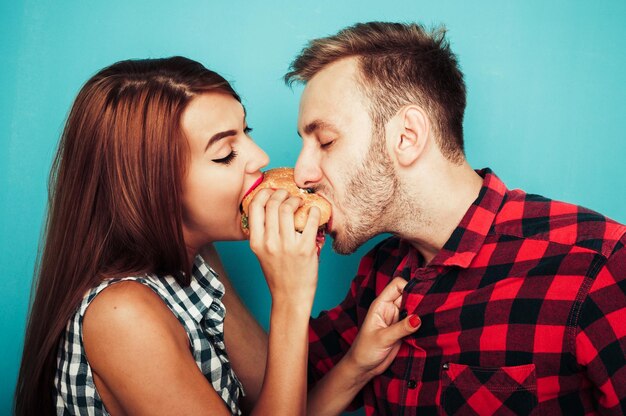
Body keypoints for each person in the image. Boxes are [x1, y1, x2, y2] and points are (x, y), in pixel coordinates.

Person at [13, 56, 422, 416]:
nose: (261, 157)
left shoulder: (200, 264)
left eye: (246, 132)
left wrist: (357, 366)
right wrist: (291, 298)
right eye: (226, 153)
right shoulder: (122, 315)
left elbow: (280, 404)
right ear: (151, 188)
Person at [283, 22, 626, 415]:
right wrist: (201, 252)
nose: (301, 174)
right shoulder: (379, 271)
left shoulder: (597, 265)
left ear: (406, 137)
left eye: (325, 141)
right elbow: (276, 395)